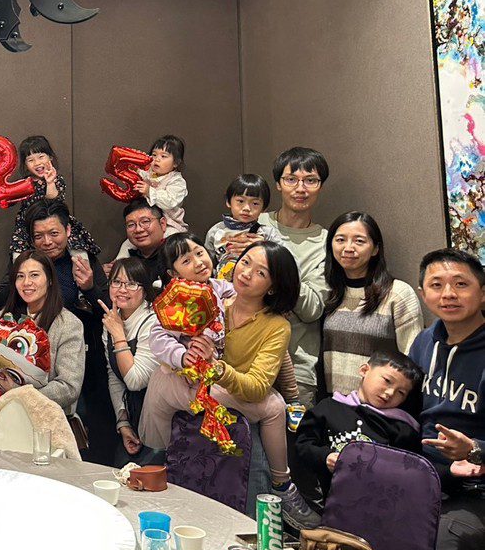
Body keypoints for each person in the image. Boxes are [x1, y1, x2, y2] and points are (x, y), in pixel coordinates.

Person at [139, 238, 320, 529]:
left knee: (273, 405)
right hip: (190, 383)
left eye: (260, 272)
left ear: (273, 286)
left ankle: (279, 489)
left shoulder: (270, 322)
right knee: (272, 405)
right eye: (245, 262)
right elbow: (161, 335)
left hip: (223, 388)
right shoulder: (205, 300)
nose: (246, 273)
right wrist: (186, 355)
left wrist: (217, 367)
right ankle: (282, 485)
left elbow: (261, 381)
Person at [0, 199, 113, 463]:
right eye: (39, 236)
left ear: (68, 231)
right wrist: (20, 279)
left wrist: (90, 288)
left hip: (79, 356)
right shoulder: (23, 265)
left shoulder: (82, 261)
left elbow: (110, 312)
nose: (47, 241)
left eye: (54, 233)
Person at [408, 248, 485, 550]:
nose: (448, 294)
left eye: (461, 284)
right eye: (436, 285)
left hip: (474, 489)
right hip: (424, 476)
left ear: (483, 293)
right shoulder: (423, 342)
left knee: (441, 545)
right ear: (423, 293)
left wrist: (474, 449)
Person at [295, 350, 421, 500]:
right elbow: (303, 444)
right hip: (325, 500)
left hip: (377, 503)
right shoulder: (329, 408)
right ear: (364, 370)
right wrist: (325, 457)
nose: (390, 393)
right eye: (387, 381)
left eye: (401, 392)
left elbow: (409, 471)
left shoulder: (402, 427)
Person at [321, 212, 423, 396]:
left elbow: (412, 360)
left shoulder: (397, 293)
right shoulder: (329, 292)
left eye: (359, 241)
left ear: (375, 249)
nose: (348, 248)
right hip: (335, 403)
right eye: (340, 240)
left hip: (381, 405)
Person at [258, 147, 330, 406]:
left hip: (298, 368)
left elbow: (312, 309)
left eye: (310, 180)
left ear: (320, 186)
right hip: (243, 358)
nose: (301, 188)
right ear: (278, 184)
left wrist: (278, 267)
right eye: (291, 179)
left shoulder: (326, 242)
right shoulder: (255, 223)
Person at [0, 251, 85, 416]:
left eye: (34, 275)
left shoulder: (68, 324)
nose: (26, 282)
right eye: (20, 276)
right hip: (1, 416)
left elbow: (69, 387)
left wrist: (19, 394)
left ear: (50, 280)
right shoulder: (4, 316)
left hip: (46, 420)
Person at [99, 257, 159, 465]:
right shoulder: (113, 318)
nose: (122, 290)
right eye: (116, 282)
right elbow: (114, 375)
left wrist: (118, 334)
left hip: (159, 421)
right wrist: (122, 422)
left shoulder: (153, 322)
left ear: (145, 289)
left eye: (132, 283)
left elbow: (135, 381)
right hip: (132, 417)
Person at [8, 135, 100, 257]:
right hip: (29, 224)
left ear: (50, 157)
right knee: (18, 254)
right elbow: (10, 199)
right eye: (30, 160)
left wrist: (50, 182)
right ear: (25, 165)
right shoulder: (24, 183)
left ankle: (82, 265)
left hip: (53, 221)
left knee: (78, 250)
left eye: (41, 157)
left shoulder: (56, 179)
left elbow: (54, 200)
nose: (37, 163)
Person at [204, 173, 284, 281]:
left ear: (264, 208)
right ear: (228, 201)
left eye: (255, 203)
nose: (246, 208)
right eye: (240, 201)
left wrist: (265, 247)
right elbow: (207, 265)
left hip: (255, 286)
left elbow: (288, 263)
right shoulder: (215, 231)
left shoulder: (267, 234)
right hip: (221, 286)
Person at [111, 198, 167, 291]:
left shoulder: (176, 256)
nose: (138, 229)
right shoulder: (128, 260)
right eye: (131, 225)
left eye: (145, 222)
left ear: (162, 224)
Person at [136, 135, 188, 236]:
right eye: (154, 155)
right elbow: (142, 175)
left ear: (176, 163)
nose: (157, 159)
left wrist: (149, 191)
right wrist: (135, 171)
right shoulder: (150, 173)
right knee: (129, 242)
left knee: (169, 239)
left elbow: (170, 201)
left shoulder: (177, 181)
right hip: (147, 222)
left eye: (163, 156)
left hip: (169, 224)